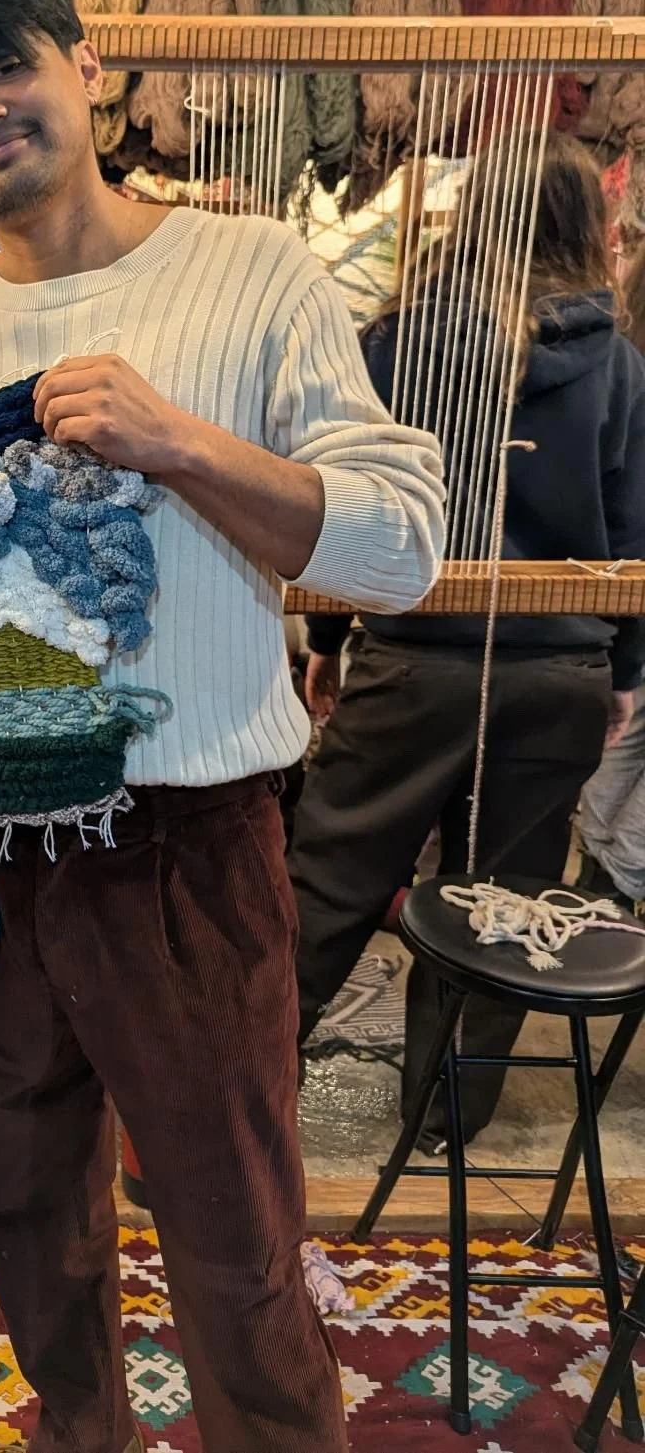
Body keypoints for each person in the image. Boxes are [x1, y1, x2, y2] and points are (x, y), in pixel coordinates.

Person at [0, 0, 446, 1453]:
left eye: (2, 67)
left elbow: (400, 547)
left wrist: (178, 443)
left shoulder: (248, 270)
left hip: (190, 845)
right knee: (30, 1239)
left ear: (89, 64)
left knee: (238, 1250)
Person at [290, 134, 645, 1145]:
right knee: (509, 898)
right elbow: (632, 537)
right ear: (591, 228)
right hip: (559, 673)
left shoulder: (393, 341)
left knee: (327, 880)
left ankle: (244, 1083)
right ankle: (442, 1121)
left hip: (416, 659)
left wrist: (325, 633)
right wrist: (620, 669)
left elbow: (347, 502)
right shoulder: (620, 368)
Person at [570, 236, 645, 911]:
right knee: (615, 821)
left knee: (614, 817)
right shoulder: (621, 364)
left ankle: (600, 918)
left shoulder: (619, 361)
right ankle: (602, 924)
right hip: (618, 622)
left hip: (618, 618)